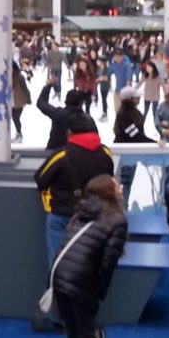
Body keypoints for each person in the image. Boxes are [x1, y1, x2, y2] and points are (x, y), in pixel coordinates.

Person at [50, 173, 128, 338]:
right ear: (108, 193)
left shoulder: (82, 212)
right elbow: (107, 263)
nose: (121, 188)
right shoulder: (116, 220)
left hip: (60, 278)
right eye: (117, 186)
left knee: (73, 335)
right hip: (81, 283)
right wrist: (98, 294)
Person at [34, 113, 115, 325]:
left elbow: (40, 178)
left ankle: (58, 317)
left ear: (69, 133)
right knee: (88, 264)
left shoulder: (62, 155)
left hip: (63, 216)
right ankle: (84, 313)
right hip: (95, 218)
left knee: (58, 264)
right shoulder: (105, 153)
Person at [36, 77, 87, 150]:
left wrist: (48, 86)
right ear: (81, 102)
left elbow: (41, 103)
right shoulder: (86, 120)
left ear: (66, 101)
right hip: (76, 155)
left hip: (54, 153)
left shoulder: (59, 114)